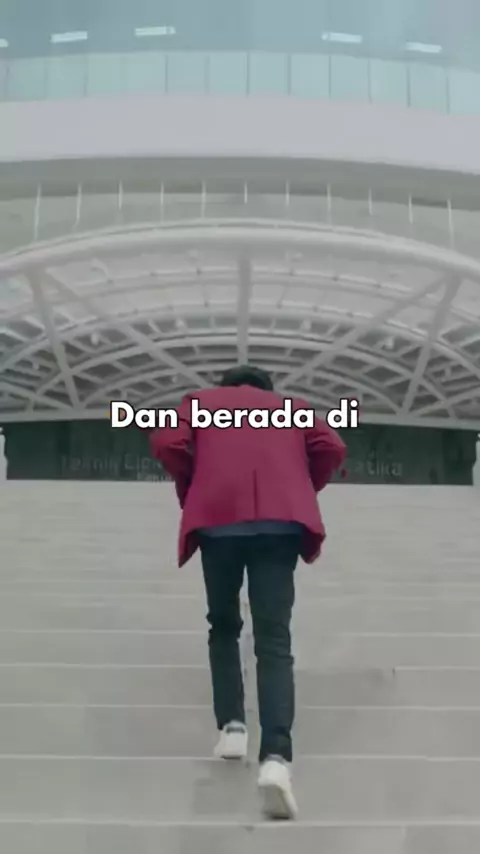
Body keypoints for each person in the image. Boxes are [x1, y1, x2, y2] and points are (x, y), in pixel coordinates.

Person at [149, 365, 346, 820]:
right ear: (267, 390)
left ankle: (233, 727)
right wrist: (301, 483)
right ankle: (276, 758)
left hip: (218, 520)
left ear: (226, 387)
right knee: (274, 639)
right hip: (280, 525)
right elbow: (331, 446)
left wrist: (196, 479)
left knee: (223, 625)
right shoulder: (291, 408)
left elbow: (168, 441)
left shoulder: (201, 403)